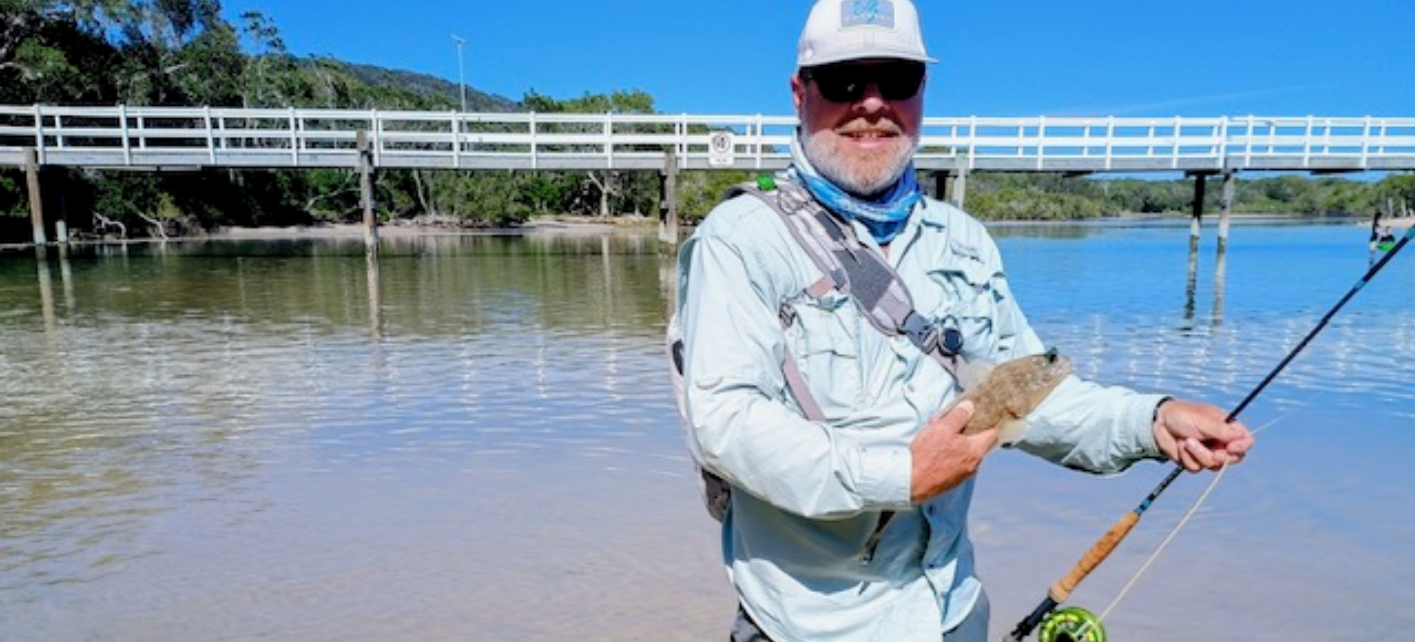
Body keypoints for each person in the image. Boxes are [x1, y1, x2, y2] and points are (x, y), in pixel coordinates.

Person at [671, 1, 1255, 641]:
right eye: (843, 82)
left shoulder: (965, 242)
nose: (872, 104)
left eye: (897, 80)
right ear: (798, 93)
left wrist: (1151, 420)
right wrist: (901, 475)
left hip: (951, 612)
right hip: (807, 627)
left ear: (923, 92)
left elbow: (1031, 401)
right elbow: (725, 423)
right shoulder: (740, 240)